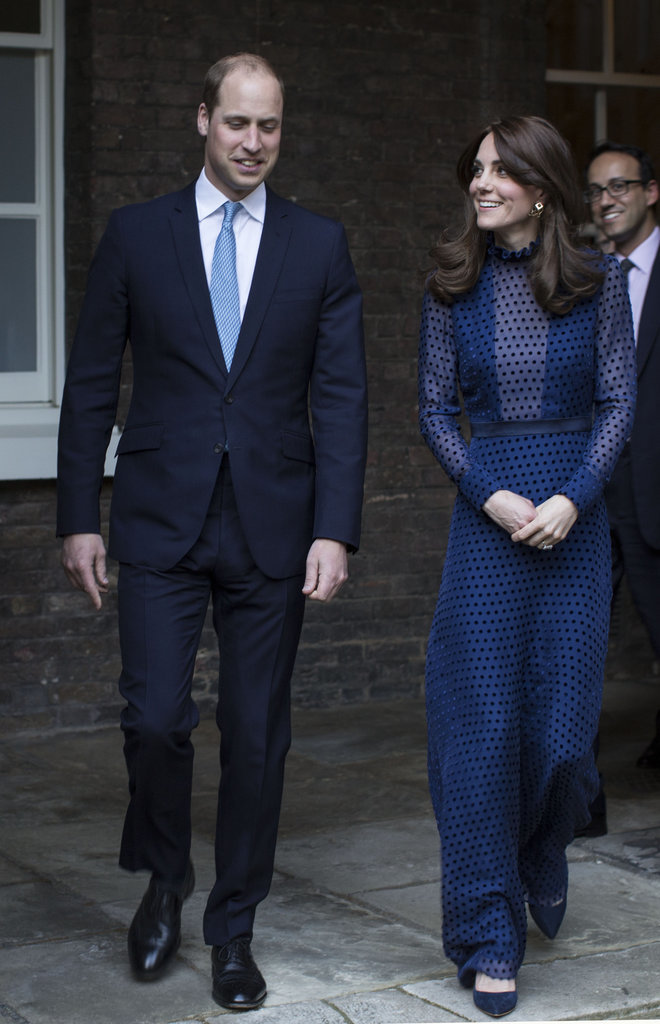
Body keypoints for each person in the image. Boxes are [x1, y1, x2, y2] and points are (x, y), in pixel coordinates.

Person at [57, 53, 367, 1013]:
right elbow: (92, 384)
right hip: (156, 518)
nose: (253, 143)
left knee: (257, 735)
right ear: (202, 120)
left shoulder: (318, 246)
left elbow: (344, 397)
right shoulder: (136, 236)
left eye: (269, 127)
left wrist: (336, 529)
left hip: (275, 527)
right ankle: (164, 881)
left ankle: (234, 927)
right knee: (153, 718)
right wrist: (78, 518)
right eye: (237, 123)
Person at [418, 115, 635, 1018]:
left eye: (501, 171)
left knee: (557, 740)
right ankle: (486, 929)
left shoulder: (600, 283)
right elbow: (431, 407)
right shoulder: (449, 286)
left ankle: (541, 853)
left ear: (541, 188)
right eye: (475, 169)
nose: (481, 183)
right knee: (478, 734)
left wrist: (575, 497)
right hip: (487, 529)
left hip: (573, 531)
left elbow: (621, 400)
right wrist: (487, 492)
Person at [586, 143, 660, 769]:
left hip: (656, 489)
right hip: (590, 494)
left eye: (620, 186)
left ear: (650, 192)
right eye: (596, 191)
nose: (606, 200)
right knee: (578, 642)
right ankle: (579, 794)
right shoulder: (585, 276)